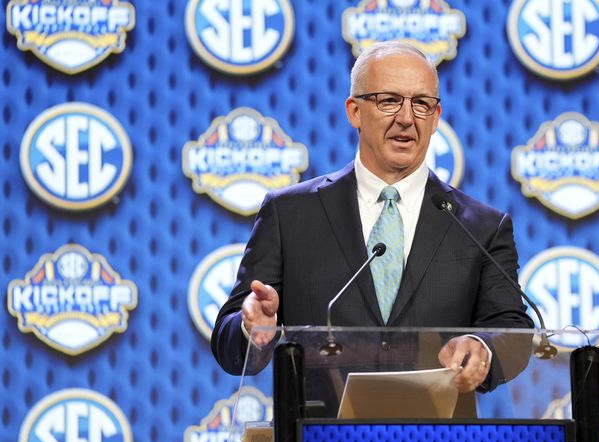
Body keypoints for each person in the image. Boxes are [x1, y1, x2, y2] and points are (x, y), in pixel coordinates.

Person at [211, 41, 533, 399]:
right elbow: (227, 342)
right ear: (354, 111)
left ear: (437, 117)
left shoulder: (481, 227)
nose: (407, 118)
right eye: (389, 100)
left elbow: (512, 330)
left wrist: (481, 346)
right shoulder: (289, 214)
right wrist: (254, 330)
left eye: (422, 104)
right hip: (322, 441)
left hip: (438, 441)